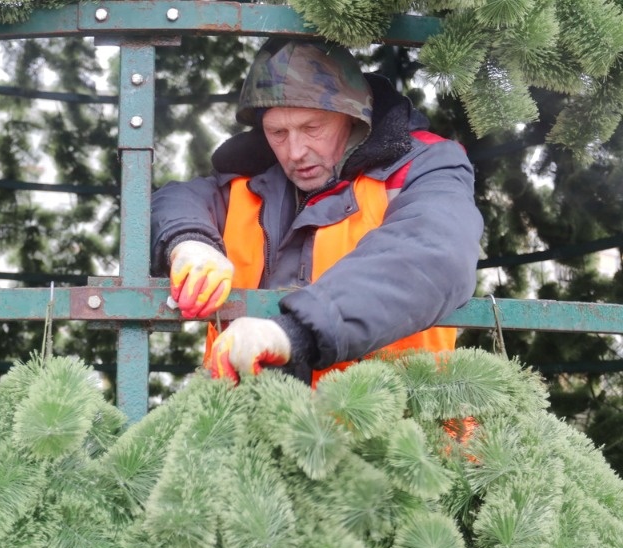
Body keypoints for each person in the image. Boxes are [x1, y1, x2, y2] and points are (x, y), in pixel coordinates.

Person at [151, 38, 483, 384]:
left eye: (312, 128)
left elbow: (434, 255)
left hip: (397, 428)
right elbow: (174, 200)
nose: (295, 151)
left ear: (353, 117)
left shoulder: (426, 165)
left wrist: (295, 332)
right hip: (243, 429)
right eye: (278, 132)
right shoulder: (246, 182)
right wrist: (189, 243)